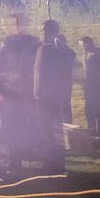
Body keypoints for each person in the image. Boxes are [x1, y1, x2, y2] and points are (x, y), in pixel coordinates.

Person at [0, 13, 40, 174]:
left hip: (29, 92)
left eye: (20, 23)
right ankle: (15, 163)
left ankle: (24, 156)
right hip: (10, 93)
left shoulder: (34, 44)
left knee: (28, 126)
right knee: (12, 128)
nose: (17, 27)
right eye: (14, 24)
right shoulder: (4, 45)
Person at [34, 20, 74, 174]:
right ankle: (53, 163)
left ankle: (56, 165)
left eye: (46, 30)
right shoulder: (42, 48)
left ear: (55, 31)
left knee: (56, 132)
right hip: (44, 97)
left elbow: (70, 59)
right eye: (41, 30)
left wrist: (62, 48)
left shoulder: (59, 50)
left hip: (54, 98)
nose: (42, 33)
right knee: (47, 132)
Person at [81, 36, 100, 139]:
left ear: (90, 43)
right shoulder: (85, 54)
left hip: (97, 87)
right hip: (88, 87)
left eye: (85, 44)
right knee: (88, 110)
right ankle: (92, 131)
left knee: (99, 111)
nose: (83, 47)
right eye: (82, 44)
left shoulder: (98, 55)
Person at [54, 34, 77, 124]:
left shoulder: (68, 52)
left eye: (57, 42)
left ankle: (67, 124)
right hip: (58, 82)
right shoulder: (65, 52)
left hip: (65, 82)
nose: (56, 45)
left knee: (65, 105)